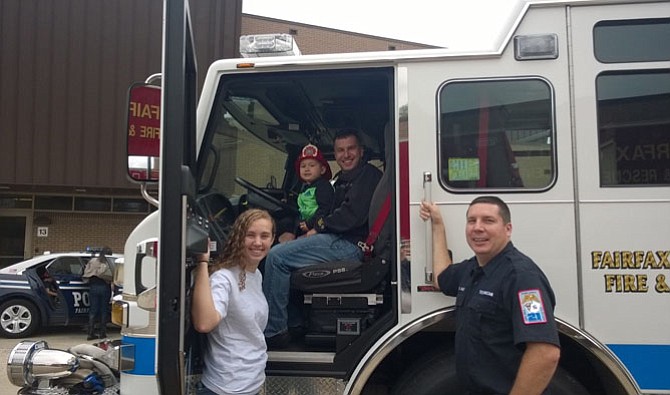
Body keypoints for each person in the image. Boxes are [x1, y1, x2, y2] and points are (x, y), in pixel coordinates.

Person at [419, 196, 560, 395]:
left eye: (488, 220)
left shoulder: (522, 278)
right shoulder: (472, 269)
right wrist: (438, 224)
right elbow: (441, 277)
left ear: (508, 229)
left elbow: (545, 353)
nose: (477, 228)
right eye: (471, 221)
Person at [263, 129, 382, 347]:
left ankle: (274, 332)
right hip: (336, 238)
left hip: (349, 244)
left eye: (351, 149)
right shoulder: (341, 179)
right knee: (284, 253)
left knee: (276, 258)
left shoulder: (367, 176)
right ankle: (295, 323)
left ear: (361, 151)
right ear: (334, 155)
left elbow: (350, 216)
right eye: (340, 150)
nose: (346, 155)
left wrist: (319, 227)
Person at [192, 209, 275, 395]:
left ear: (272, 239)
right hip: (226, 387)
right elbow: (204, 323)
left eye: (265, 236)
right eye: (250, 235)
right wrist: (203, 263)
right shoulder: (223, 278)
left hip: (251, 384)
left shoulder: (256, 275)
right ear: (238, 237)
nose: (258, 242)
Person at [279, 143, 334, 243]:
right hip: (304, 225)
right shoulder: (307, 188)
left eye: (312, 165)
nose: (307, 169)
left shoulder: (323, 187)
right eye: (303, 166)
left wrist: (310, 224)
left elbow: (325, 210)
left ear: (322, 169)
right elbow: (303, 207)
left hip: (317, 229)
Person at [82, 247, 114, 340]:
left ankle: (90, 333)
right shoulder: (108, 263)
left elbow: (85, 273)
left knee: (93, 310)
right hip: (104, 287)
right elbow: (113, 275)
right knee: (103, 310)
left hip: (93, 287)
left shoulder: (92, 261)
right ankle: (102, 333)